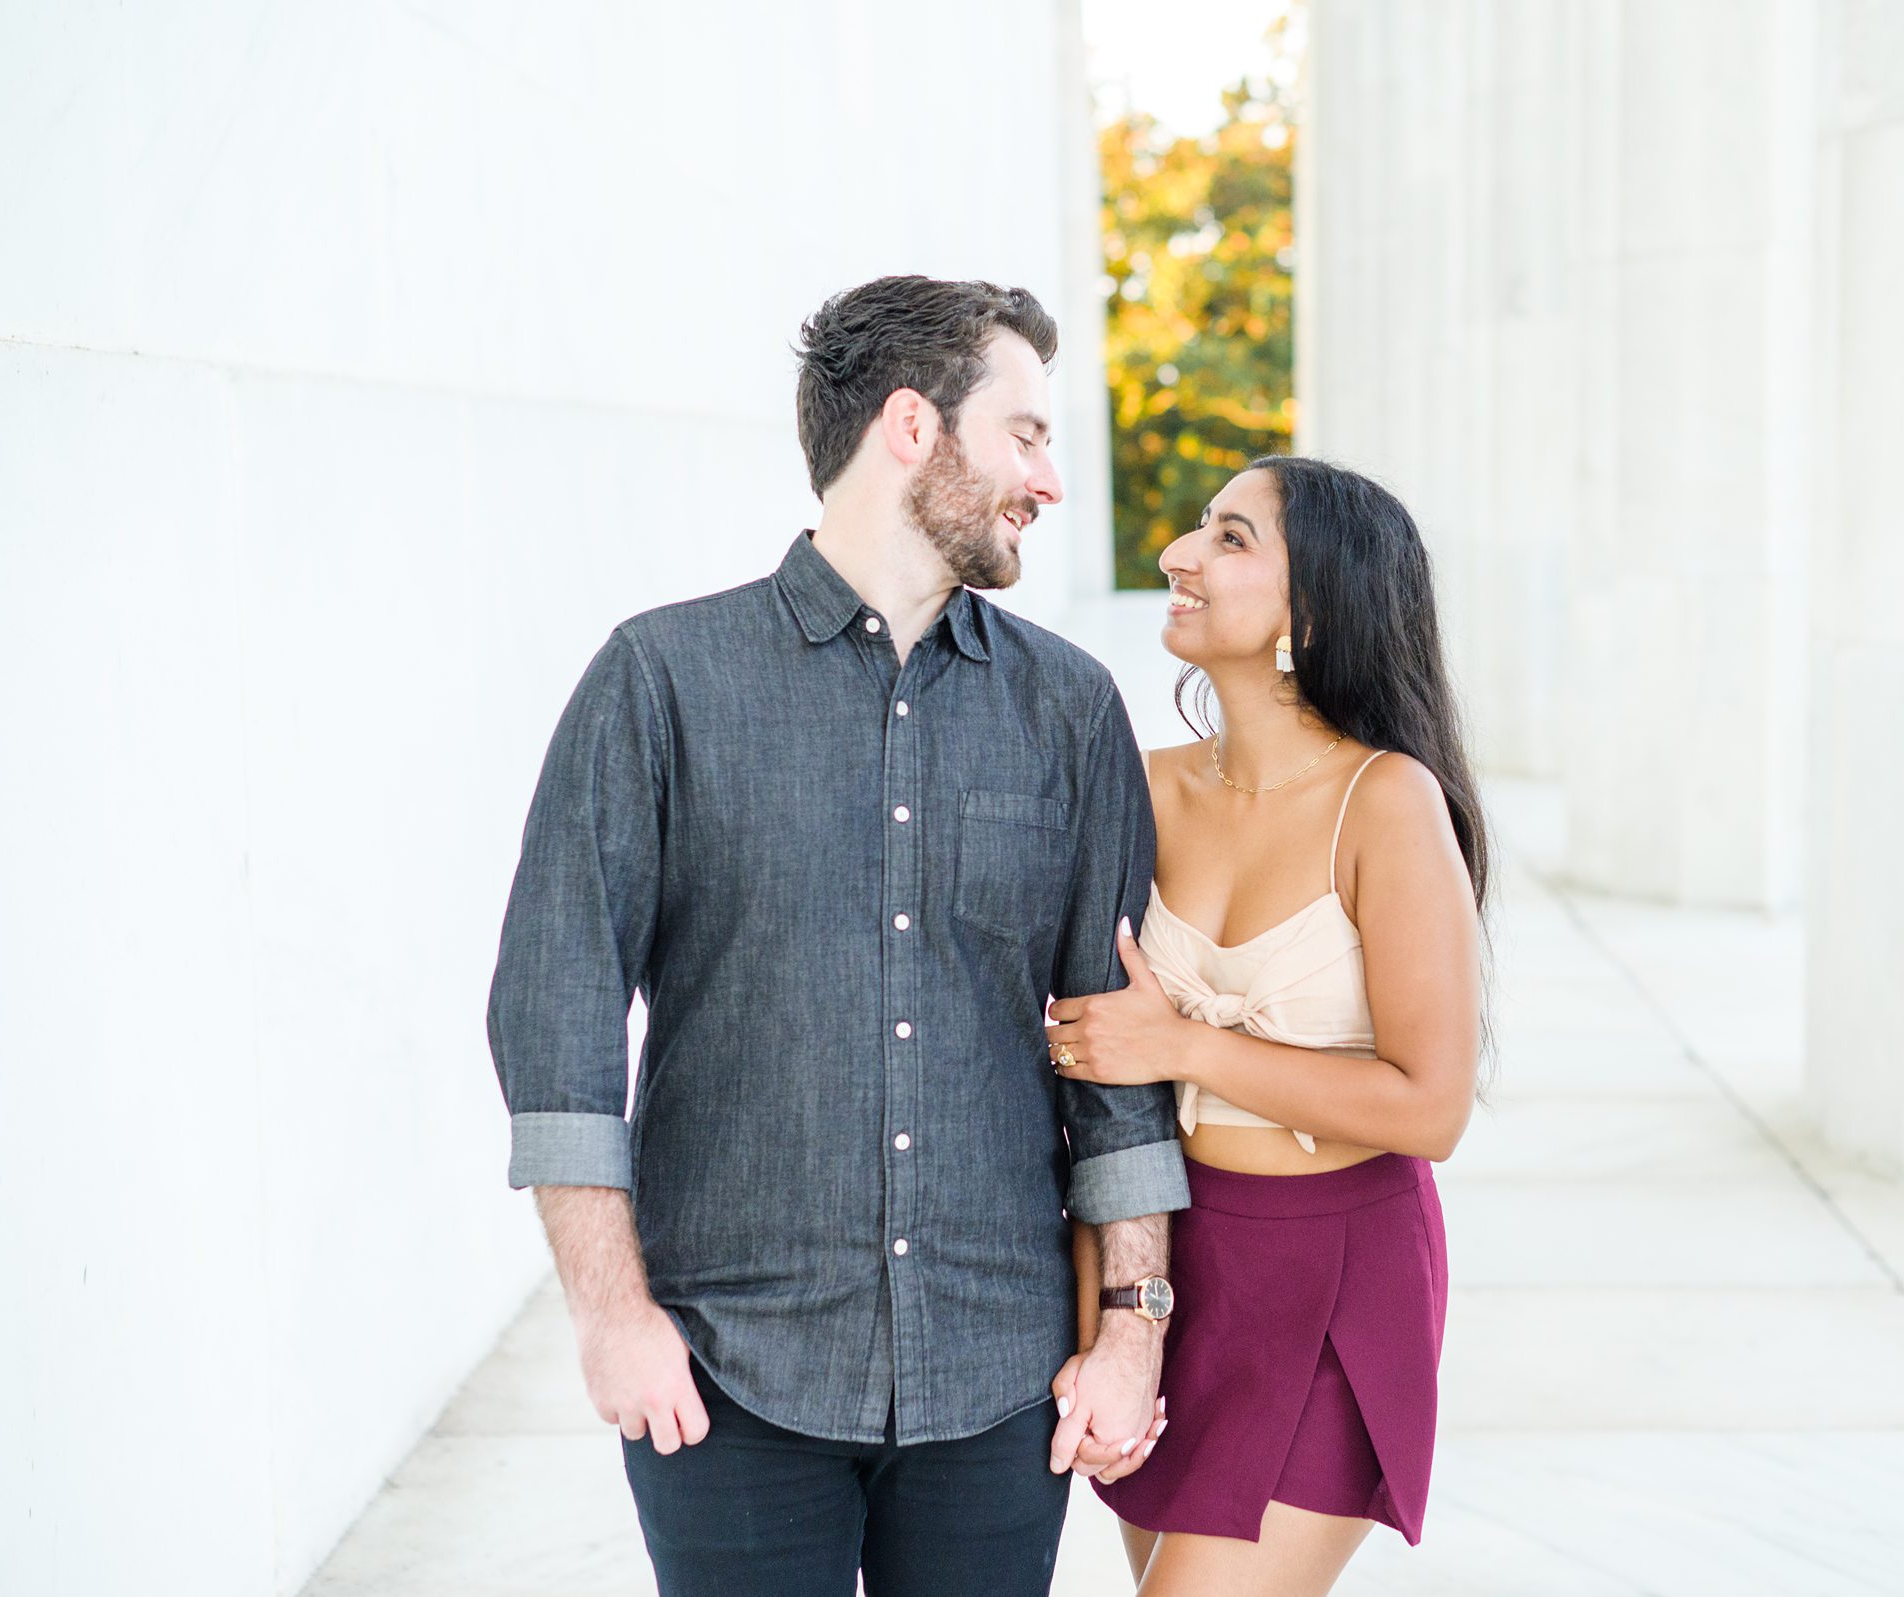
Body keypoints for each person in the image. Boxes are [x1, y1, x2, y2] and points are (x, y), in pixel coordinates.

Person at [485, 275, 1189, 1597]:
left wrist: (1133, 1324)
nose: (1050, 481)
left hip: (997, 1374)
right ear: (913, 427)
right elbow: (557, 1020)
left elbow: (1118, 1052)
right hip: (727, 1373)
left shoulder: (1071, 711)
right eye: (1028, 434)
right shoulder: (662, 682)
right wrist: (609, 1314)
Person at [1044, 456, 1491, 1596]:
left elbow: (1430, 1107)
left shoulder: (1386, 801)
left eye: (1231, 539)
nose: (1178, 557)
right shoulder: (1138, 786)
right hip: (1177, 1265)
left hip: (1340, 1276)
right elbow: (1103, 1091)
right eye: (1200, 527)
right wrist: (1111, 1317)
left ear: (1317, 603)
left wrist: (1188, 1045)